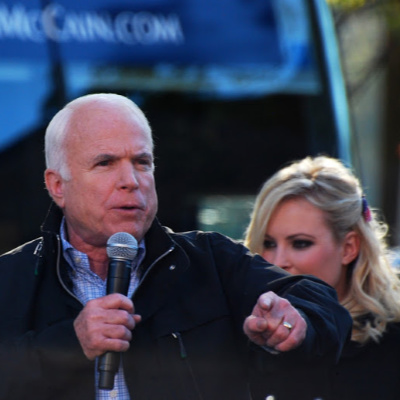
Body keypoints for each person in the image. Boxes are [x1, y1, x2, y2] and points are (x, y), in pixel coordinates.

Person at [0, 94, 351, 400]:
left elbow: (321, 302)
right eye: (105, 163)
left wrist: (298, 323)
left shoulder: (210, 262)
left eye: (142, 162)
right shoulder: (10, 281)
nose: (131, 181)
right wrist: (69, 344)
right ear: (58, 185)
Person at [244, 155, 400, 400]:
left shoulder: (391, 348)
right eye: (268, 243)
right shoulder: (240, 337)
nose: (277, 261)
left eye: (300, 243)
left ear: (349, 248)